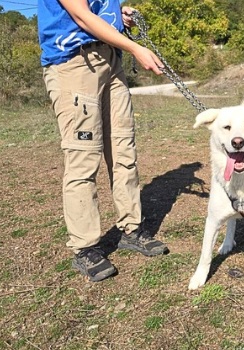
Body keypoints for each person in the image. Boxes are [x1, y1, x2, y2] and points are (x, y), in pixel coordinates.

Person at [38, 0, 168, 282]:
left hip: (111, 61)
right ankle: (85, 247)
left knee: (124, 151)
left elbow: (96, 13)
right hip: (75, 63)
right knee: (83, 158)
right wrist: (134, 47)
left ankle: (132, 229)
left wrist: (119, 18)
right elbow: (82, 17)